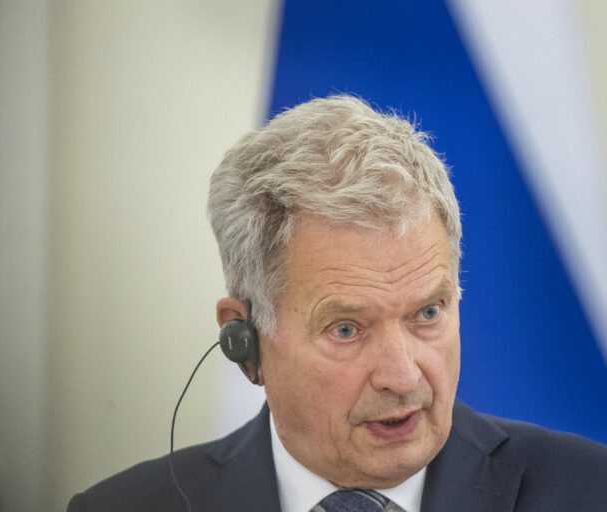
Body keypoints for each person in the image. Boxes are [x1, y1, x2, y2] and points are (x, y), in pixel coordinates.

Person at [67, 95, 607, 511]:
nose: (402, 377)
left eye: (427, 313)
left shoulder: (590, 490)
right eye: (346, 328)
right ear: (246, 343)